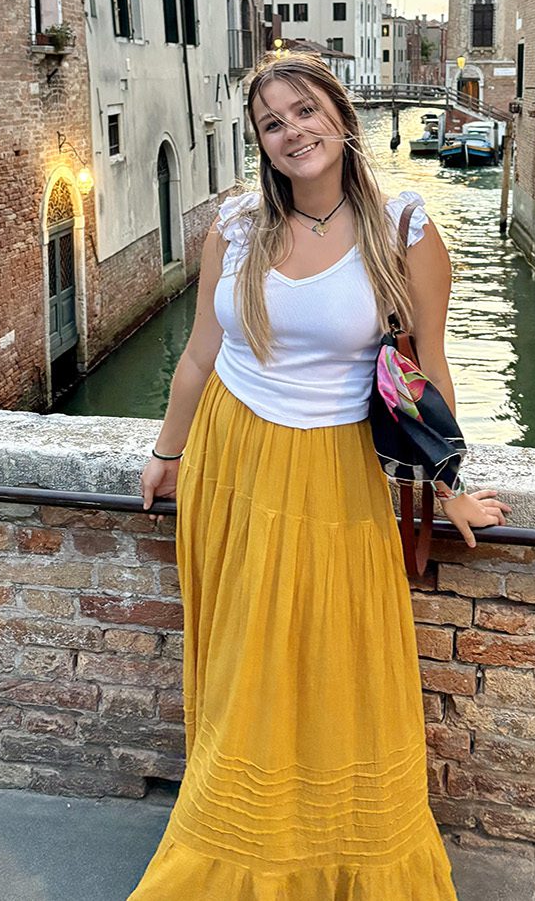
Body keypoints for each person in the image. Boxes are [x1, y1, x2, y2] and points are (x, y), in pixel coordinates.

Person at [128, 51, 510, 901]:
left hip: (334, 470)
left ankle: (329, 852)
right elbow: (198, 355)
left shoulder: (403, 226)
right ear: (260, 144)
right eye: (272, 122)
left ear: (340, 116)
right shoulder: (234, 226)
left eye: (304, 111)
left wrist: (447, 487)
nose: (292, 131)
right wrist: (166, 452)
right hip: (230, 461)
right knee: (240, 664)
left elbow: (427, 375)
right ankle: (232, 840)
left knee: (333, 663)